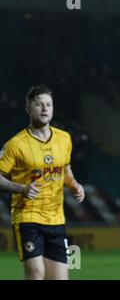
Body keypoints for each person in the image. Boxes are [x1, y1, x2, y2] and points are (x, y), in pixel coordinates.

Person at [0, 84, 85, 280]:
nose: (45, 108)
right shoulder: (16, 144)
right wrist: (21, 188)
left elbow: (65, 169)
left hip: (56, 220)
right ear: (28, 108)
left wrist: (74, 185)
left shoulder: (64, 139)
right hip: (27, 217)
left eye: (49, 104)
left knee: (60, 278)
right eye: (39, 104)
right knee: (36, 273)